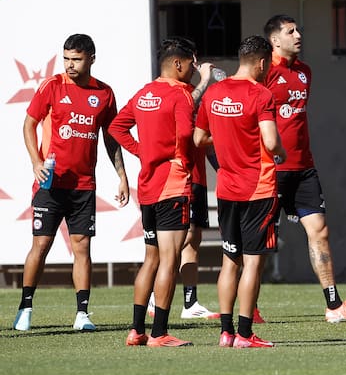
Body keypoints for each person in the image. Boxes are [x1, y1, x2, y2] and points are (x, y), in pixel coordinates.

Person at [14, 33, 130, 332]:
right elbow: (28, 124)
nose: (69, 64)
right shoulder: (52, 85)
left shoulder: (104, 93)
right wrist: (36, 162)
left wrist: (121, 176)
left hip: (83, 185)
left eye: (76, 59)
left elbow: (111, 137)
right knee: (41, 245)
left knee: (82, 247)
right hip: (50, 183)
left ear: (91, 58)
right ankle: (25, 308)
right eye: (66, 58)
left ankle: (82, 314)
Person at [264, 14, 346, 322]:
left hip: (304, 169)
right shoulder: (264, 72)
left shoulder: (304, 73)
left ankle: (334, 305)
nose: (298, 35)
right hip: (271, 170)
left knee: (320, 232)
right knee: (259, 238)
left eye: (298, 29)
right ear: (275, 40)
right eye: (290, 31)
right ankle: (248, 308)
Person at [110, 37, 211, 347]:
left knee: (151, 259)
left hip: (148, 186)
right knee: (169, 259)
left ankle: (137, 330)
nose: (194, 71)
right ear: (177, 64)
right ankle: (159, 333)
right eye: (192, 65)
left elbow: (116, 127)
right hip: (172, 184)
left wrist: (143, 152)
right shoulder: (180, 94)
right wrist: (181, 155)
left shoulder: (144, 93)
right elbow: (185, 133)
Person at [194, 35, 285, 348]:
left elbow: (198, 138)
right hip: (258, 189)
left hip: (227, 188)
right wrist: (281, 154)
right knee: (253, 262)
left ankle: (226, 331)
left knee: (229, 261)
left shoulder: (214, 92)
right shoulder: (262, 94)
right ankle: (245, 334)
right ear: (261, 63)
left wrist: (225, 137)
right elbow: (271, 142)